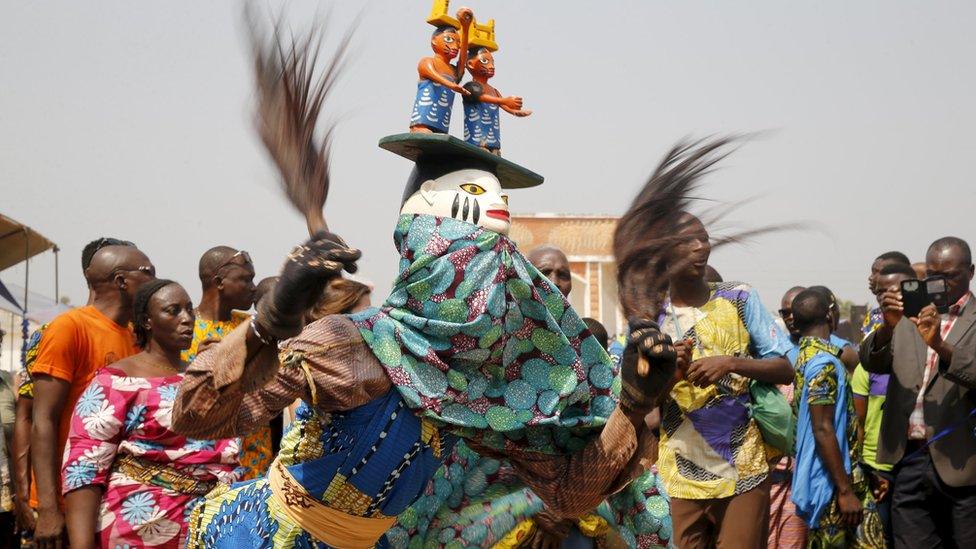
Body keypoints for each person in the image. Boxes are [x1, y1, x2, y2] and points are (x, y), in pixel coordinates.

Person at [171, 135, 675, 548]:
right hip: (263, 538)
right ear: (427, 261)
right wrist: (271, 316)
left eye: (498, 272)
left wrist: (632, 405)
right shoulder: (348, 345)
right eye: (467, 268)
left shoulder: (479, 390)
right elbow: (197, 418)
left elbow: (568, 495)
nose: (486, 292)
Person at [62, 279, 239, 549]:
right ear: (146, 321)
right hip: (140, 526)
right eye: (173, 310)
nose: (187, 319)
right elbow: (84, 467)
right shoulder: (116, 381)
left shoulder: (200, 376)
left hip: (210, 527)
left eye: (190, 310)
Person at [656, 213, 794, 548]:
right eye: (687, 241)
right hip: (680, 470)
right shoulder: (650, 316)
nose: (700, 247)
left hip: (743, 468)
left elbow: (787, 366)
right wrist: (669, 374)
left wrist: (731, 363)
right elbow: (638, 398)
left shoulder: (739, 298)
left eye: (703, 238)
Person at [31, 241, 155, 548]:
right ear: (121, 281)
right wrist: (48, 507)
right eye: (148, 272)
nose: (156, 280)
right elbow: (43, 419)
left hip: (115, 498)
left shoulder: (136, 337)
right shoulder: (69, 328)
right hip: (67, 498)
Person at [861, 236, 976, 547]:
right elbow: (872, 362)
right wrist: (888, 326)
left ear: (971, 272)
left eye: (950, 275)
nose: (941, 283)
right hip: (909, 458)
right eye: (933, 276)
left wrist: (939, 344)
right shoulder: (911, 315)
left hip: (962, 463)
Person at [790, 289, 884, 547]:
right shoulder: (824, 364)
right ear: (831, 314)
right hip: (833, 484)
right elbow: (823, 428)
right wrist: (845, 491)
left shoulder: (806, 355)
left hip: (839, 475)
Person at [182, 247, 267, 480]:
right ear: (219, 282)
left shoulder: (251, 327)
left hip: (255, 459)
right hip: (202, 466)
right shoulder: (183, 330)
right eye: (245, 279)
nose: (253, 287)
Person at [852, 262, 916, 546]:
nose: (885, 298)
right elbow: (860, 422)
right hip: (883, 460)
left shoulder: (935, 327)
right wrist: (871, 468)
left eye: (891, 291)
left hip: (928, 454)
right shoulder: (877, 333)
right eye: (879, 293)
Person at [769, 285, 809, 549]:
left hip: (799, 479)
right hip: (767, 478)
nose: (790, 317)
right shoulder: (769, 357)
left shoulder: (828, 354)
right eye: (785, 312)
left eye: (795, 311)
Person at [461, 45, 531, 154]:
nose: (491, 66)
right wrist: (505, 101)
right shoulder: (470, 87)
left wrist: (516, 112)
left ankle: (493, 148)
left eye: (492, 62)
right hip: (476, 138)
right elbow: (481, 97)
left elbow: (505, 106)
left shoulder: (494, 91)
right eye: (485, 61)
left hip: (493, 137)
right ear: (470, 64)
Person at [862, 252, 911, 337]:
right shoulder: (873, 316)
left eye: (876, 272)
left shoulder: (920, 313)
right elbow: (866, 348)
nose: (870, 277)